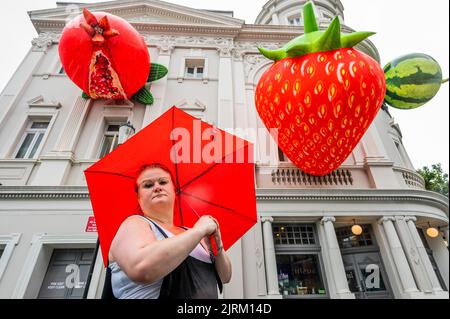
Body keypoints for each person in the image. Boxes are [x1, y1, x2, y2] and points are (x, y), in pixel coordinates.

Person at [107, 163, 232, 299]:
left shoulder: (192, 233)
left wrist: (218, 248)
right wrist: (199, 230)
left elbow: (225, 277)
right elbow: (142, 268)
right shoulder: (134, 224)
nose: (157, 187)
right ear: (139, 198)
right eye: (148, 185)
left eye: (163, 182)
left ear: (174, 190)